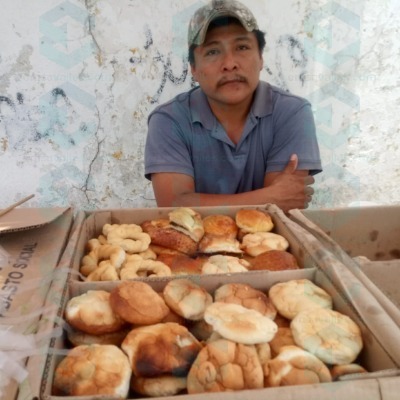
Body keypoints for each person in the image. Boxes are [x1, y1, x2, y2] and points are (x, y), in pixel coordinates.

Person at [144, 0, 322, 212]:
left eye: (242, 47)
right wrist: (269, 198)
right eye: (212, 52)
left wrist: (272, 201)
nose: (229, 64)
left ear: (261, 58)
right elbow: (174, 207)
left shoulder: (291, 112)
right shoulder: (169, 120)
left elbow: (284, 209)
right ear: (193, 68)